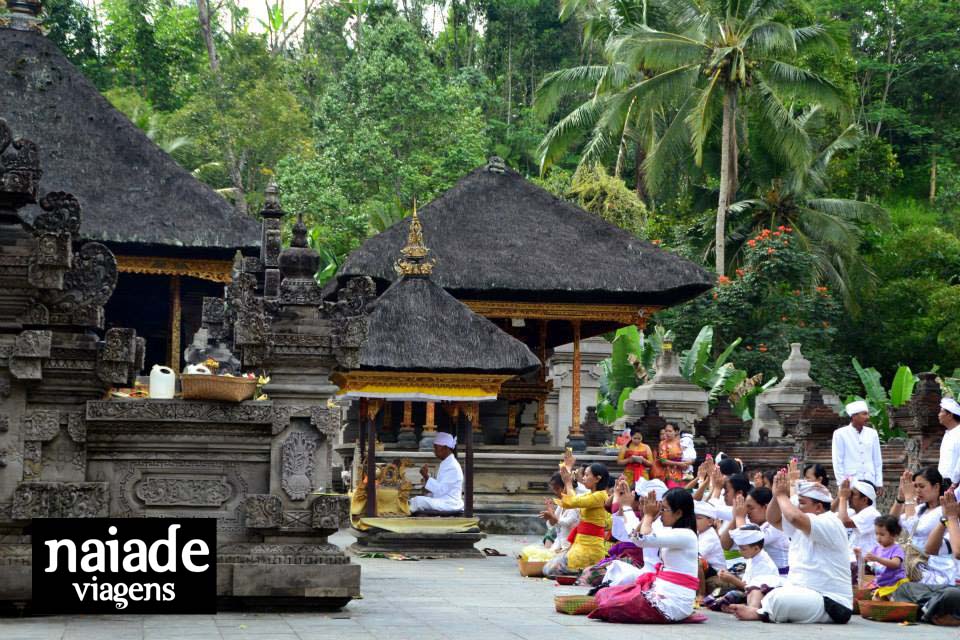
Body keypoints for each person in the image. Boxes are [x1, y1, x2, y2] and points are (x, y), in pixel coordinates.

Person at [730, 473, 853, 624]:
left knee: (777, 599)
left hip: (831, 602)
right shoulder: (801, 526)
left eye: (801, 503)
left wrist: (782, 495)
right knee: (762, 582)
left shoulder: (829, 522)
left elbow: (794, 517)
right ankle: (761, 609)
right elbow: (773, 519)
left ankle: (759, 612)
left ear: (819, 507)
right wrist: (776, 495)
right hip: (804, 591)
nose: (797, 507)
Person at [588, 488, 702, 623]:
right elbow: (634, 535)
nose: (660, 513)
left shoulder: (686, 535)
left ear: (678, 513)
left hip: (673, 602)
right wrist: (633, 511)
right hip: (660, 592)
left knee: (610, 604)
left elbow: (642, 539)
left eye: (664, 509)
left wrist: (646, 515)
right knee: (605, 594)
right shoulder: (671, 530)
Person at [543, 463, 611, 577]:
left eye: (587, 475)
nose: (583, 478)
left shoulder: (600, 496)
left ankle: (582, 572)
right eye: (583, 475)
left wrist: (568, 483)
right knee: (547, 569)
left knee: (550, 570)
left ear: (597, 479)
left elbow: (573, 502)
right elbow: (574, 500)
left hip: (590, 547)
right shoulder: (591, 494)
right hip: (581, 543)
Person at [892, 467, 955, 584]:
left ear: (936, 487)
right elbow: (891, 524)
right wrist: (900, 497)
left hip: (936, 571)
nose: (917, 490)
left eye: (921, 486)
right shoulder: (920, 509)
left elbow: (915, 528)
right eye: (914, 486)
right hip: (914, 566)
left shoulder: (943, 510)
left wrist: (909, 498)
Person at [707, 525, 782, 611]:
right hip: (747, 593)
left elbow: (753, 589)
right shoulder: (752, 558)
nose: (739, 551)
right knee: (716, 594)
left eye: (743, 549)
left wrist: (732, 579)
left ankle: (745, 609)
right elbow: (745, 583)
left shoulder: (764, 564)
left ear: (756, 548)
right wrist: (728, 575)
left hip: (760, 598)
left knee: (730, 596)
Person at [720, 488, 790, 573]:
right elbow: (725, 545)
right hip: (761, 574)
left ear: (766, 507)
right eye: (745, 508)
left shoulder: (776, 525)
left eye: (750, 508)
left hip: (780, 577)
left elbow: (746, 542)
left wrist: (739, 517)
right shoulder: (754, 523)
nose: (747, 512)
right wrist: (735, 518)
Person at [832, 400, 883, 488]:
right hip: (850, 481)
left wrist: (878, 482)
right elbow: (837, 461)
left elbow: (877, 460)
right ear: (854, 416)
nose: (868, 417)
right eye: (864, 414)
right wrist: (842, 482)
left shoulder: (872, 433)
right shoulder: (840, 434)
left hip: (870, 480)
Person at [410, 431, 463, 513]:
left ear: (445, 448)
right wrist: (428, 492)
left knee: (417, 501)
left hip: (450, 503)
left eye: (436, 448)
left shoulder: (452, 466)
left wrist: (426, 477)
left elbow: (441, 490)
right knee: (417, 499)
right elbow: (441, 489)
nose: (434, 451)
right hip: (444, 500)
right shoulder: (446, 463)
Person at [837, 478, 881, 564]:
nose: (849, 496)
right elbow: (829, 514)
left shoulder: (871, 513)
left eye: (853, 494)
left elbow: (844, 522)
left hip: (866, 564)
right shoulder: (853, 512)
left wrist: (843, 498)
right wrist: (840, 496)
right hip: (853, 561)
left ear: (864, 500)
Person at [864, 515, 908, 599]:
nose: (878, 537)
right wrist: (859, 555)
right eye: (876, 534)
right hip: (882, 584)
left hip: (895, 584)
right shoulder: (877, 549)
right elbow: (865, 560)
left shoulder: (896, 549)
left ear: (894, 535)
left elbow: (895, 564)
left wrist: (877, 559)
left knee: (887, 602)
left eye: (882, 534)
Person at [537, 472, 579, 553]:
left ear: (566, 487)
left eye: (557, 489)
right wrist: (551, 512)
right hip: (558, 544)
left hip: (569, 547)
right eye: (554, 489)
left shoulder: (576, 503)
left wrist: (551, 515)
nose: (555, 492)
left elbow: (566, 522)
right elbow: (552, 525)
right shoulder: (561, 504)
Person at [651, 423, 687, 488]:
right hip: (670, 472)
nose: (667, 433)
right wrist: (678, 463)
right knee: (673, 492)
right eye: (666, 431)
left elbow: (690, 456)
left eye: (670, 431)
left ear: (676, 432)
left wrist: (688, 463)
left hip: (685, 471)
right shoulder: (663, 443)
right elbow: (663, 460)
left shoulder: (682, 442)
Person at [696, 500, 726, 575]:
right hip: (708, 568)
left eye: (698, 518)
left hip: (716, 573)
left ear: (710, 522)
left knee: (696, 562)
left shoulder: (710, 536)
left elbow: (697, 555)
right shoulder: (700, 532)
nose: (694, 520)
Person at [938, 398, 960, 484]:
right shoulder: (948, 433)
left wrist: (954, 483)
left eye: (941, 412)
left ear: (950, 415)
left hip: (955, 484)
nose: (938, 415)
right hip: (944, 482)